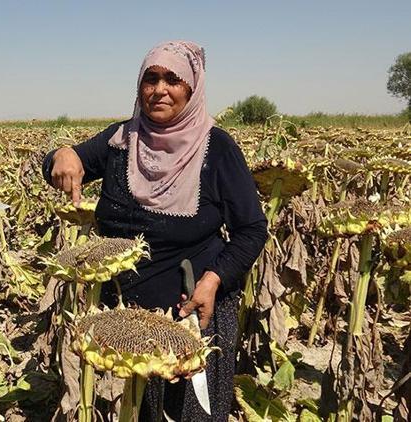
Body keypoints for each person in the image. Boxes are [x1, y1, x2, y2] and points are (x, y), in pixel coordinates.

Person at [42, 41, 267, 421]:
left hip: (188, 316)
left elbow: (251, 230)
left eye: (173, 80)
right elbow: (61, 165)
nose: (160, 89)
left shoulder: (217, 148)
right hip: (117, 320)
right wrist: (62, 153)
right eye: (151, 78)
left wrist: (213, 280)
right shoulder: (121, 140)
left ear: (192, 89)